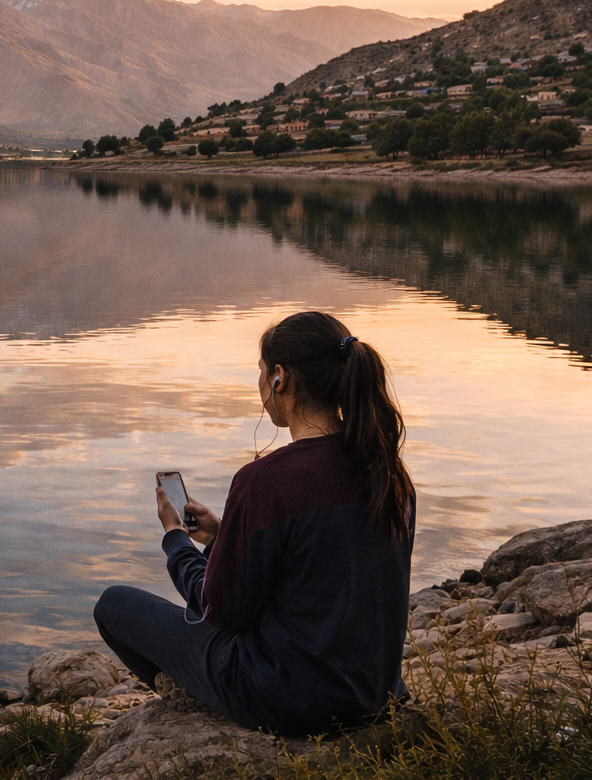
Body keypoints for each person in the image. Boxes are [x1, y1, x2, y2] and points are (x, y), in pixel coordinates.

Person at [93, 311, 415, 736]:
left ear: (280, 378)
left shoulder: (266, 480)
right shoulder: (388, 473)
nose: (260, 382)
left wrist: (176, 541)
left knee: (113, 605)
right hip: (375, 693)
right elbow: (320, 569)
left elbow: (222, 611)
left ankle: (197, 697)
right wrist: (223, 536)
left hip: (291, 701)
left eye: (261, 371)